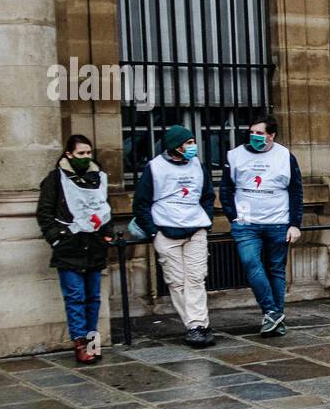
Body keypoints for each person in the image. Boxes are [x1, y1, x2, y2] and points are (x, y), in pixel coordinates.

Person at [132, 124, 216, 348]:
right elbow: (141, 204)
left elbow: (208, 195)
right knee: (177, 282)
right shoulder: (155, 168)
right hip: (166, 232)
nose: (193, 146)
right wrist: (153, 232)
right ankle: (196, 325)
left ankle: (197, 325)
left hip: (195, 229)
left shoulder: (197, 165)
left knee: (196, 278)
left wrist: (206, 221)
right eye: (188, 143)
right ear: (176, 147)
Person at [221, 114, 304, 336]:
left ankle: (275, 319)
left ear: (271, 135)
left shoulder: (285, 156)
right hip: (246, 225)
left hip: (278, 223)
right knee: (250, 262)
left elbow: (296, 191)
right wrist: (233, 217)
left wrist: (294, 224)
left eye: (260, 133)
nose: (255, 136)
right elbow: (226, 189)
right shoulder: (235, 155)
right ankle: (272, 312)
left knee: (276, 269)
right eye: (252, 132)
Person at [36, 135, 113, 364]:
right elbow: (45, 212)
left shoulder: (98, 177)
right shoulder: (55, 180)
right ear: (69, 154)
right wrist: (57, 239)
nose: (86, 157)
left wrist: (106, 235)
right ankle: (80, 343)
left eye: (88, 153)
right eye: (81, 153)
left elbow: (104, 208)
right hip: (70, 246)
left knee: (93, 297)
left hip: (95, 245)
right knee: (75, 297)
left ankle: (92, 342)